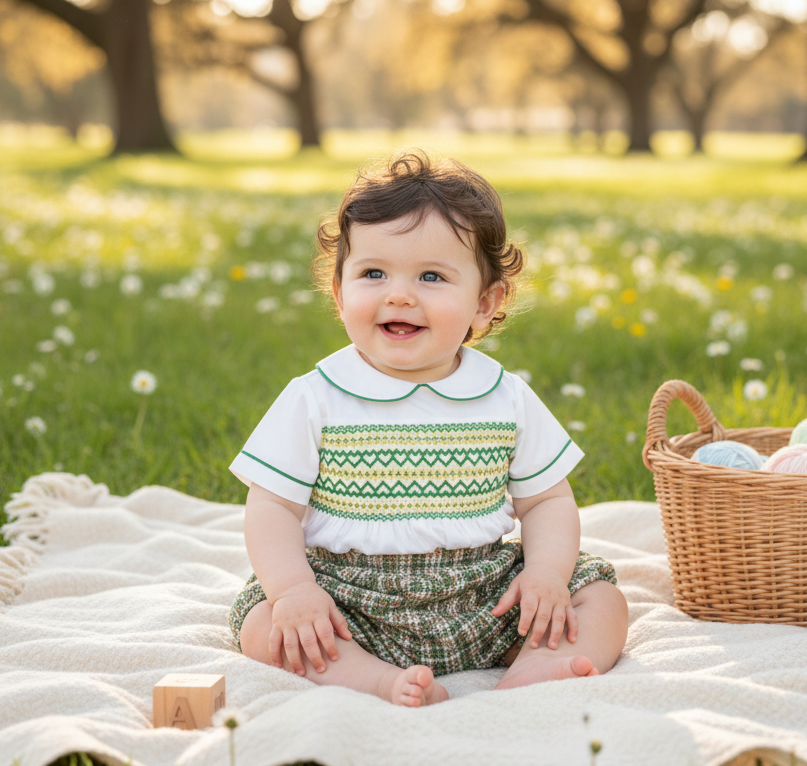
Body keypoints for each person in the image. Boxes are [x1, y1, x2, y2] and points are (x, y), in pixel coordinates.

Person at [228, 151, 628, 707]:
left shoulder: (505, 395)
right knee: (268, 625)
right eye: (373, 273)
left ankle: (535, 668)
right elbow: (271, 507)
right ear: (341, 295)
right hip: (350, 599)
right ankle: (376, 681)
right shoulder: (315, 396)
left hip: (482, 592)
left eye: (431, 277)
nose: (399, 294)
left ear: (485, 304)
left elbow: (546, 503)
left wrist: (544, 573)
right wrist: (295, 591)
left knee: (600, 596)